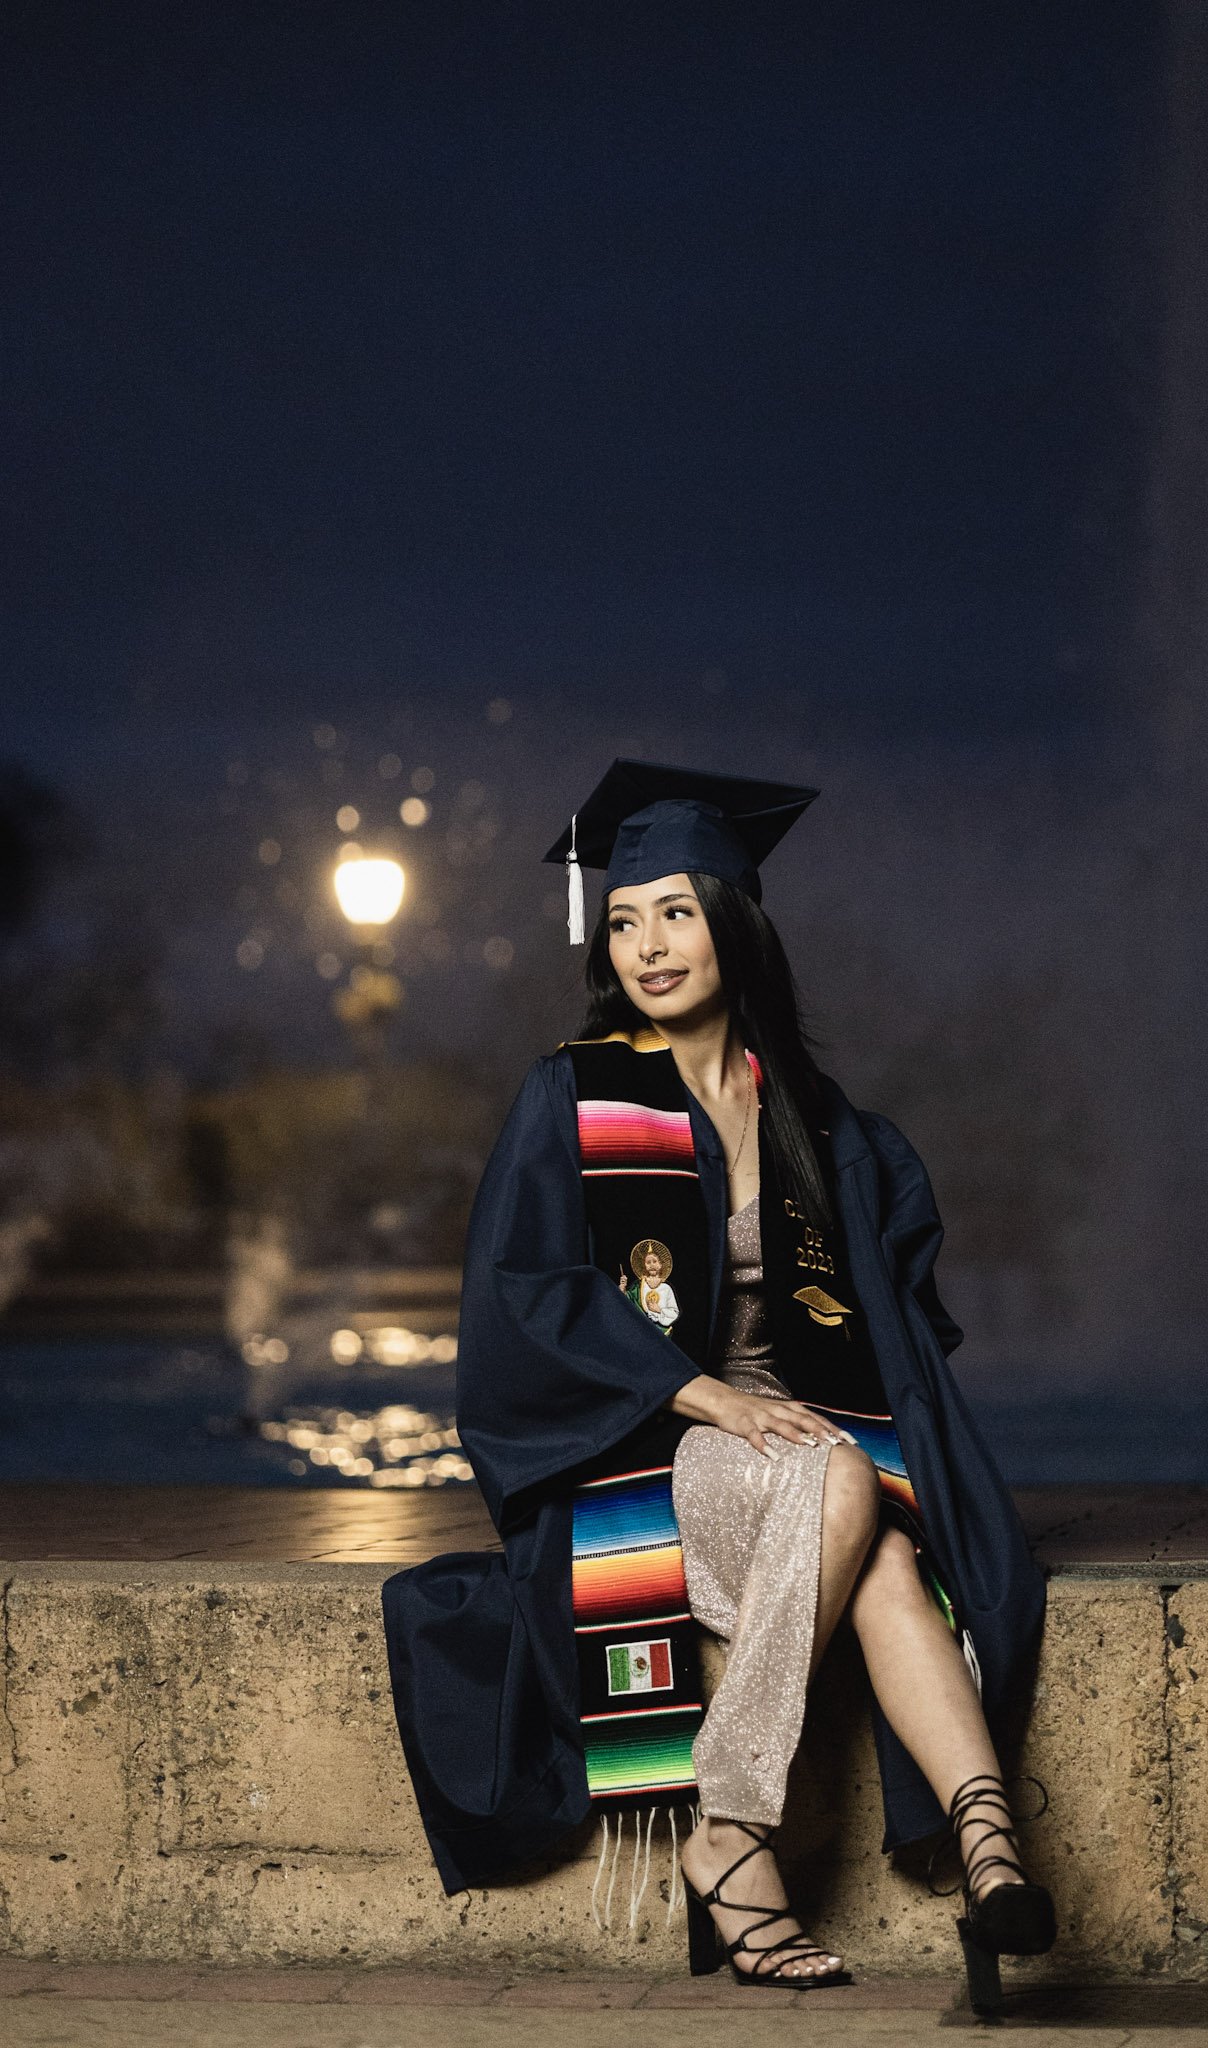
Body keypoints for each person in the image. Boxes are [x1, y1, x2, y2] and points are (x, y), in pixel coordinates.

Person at [382, 760, 1056, 2010]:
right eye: (625, 920)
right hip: (640, 1442)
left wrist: (838, 1395)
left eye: (677, 912)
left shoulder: (818, 1117)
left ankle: (991, 1847)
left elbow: (899, 1308)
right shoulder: (573, 1096)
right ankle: (734, 1823)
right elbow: (527, 1296)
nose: (648, 946)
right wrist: (708, 1395)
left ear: (738, 922)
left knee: (891, 1542)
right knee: (847, 1484)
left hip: (800, 1452)